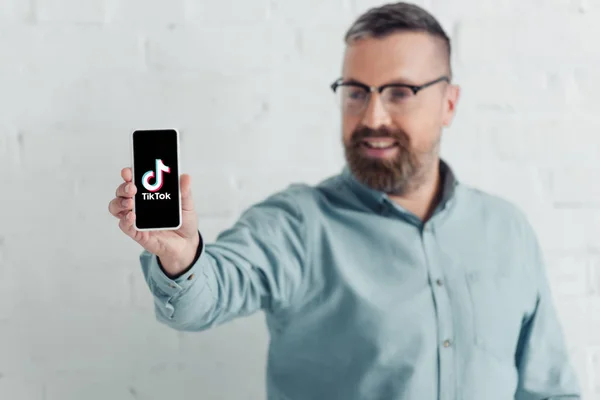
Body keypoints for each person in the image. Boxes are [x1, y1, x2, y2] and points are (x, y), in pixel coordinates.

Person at [107, 2, 582, 399]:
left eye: (401, 92)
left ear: (449, 105)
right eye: (356, 92)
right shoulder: (297, 225)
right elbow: (207, 294)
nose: (372, 116)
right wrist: (183, 259)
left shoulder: (507, 230)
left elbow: (549, 389)